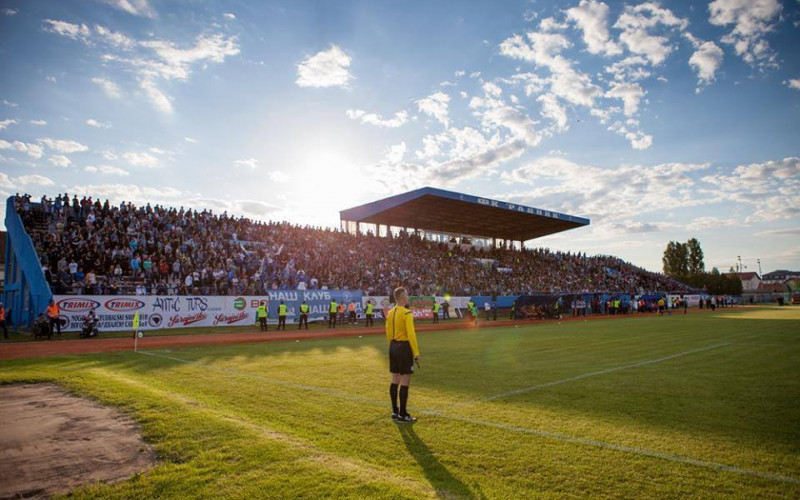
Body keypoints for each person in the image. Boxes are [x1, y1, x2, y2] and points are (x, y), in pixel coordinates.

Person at [386, 287, 419, 423]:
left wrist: (393, 345)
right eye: (406, 294)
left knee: (395, 379)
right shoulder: (406, 313)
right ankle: (403, 414)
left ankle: (395, 411)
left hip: (392, 346)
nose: (408, 297)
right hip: (404, 347)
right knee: (405, 380)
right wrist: (416, 353)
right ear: (401, 297)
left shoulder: (390, 312)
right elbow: (411, 334)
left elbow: (388, 331)